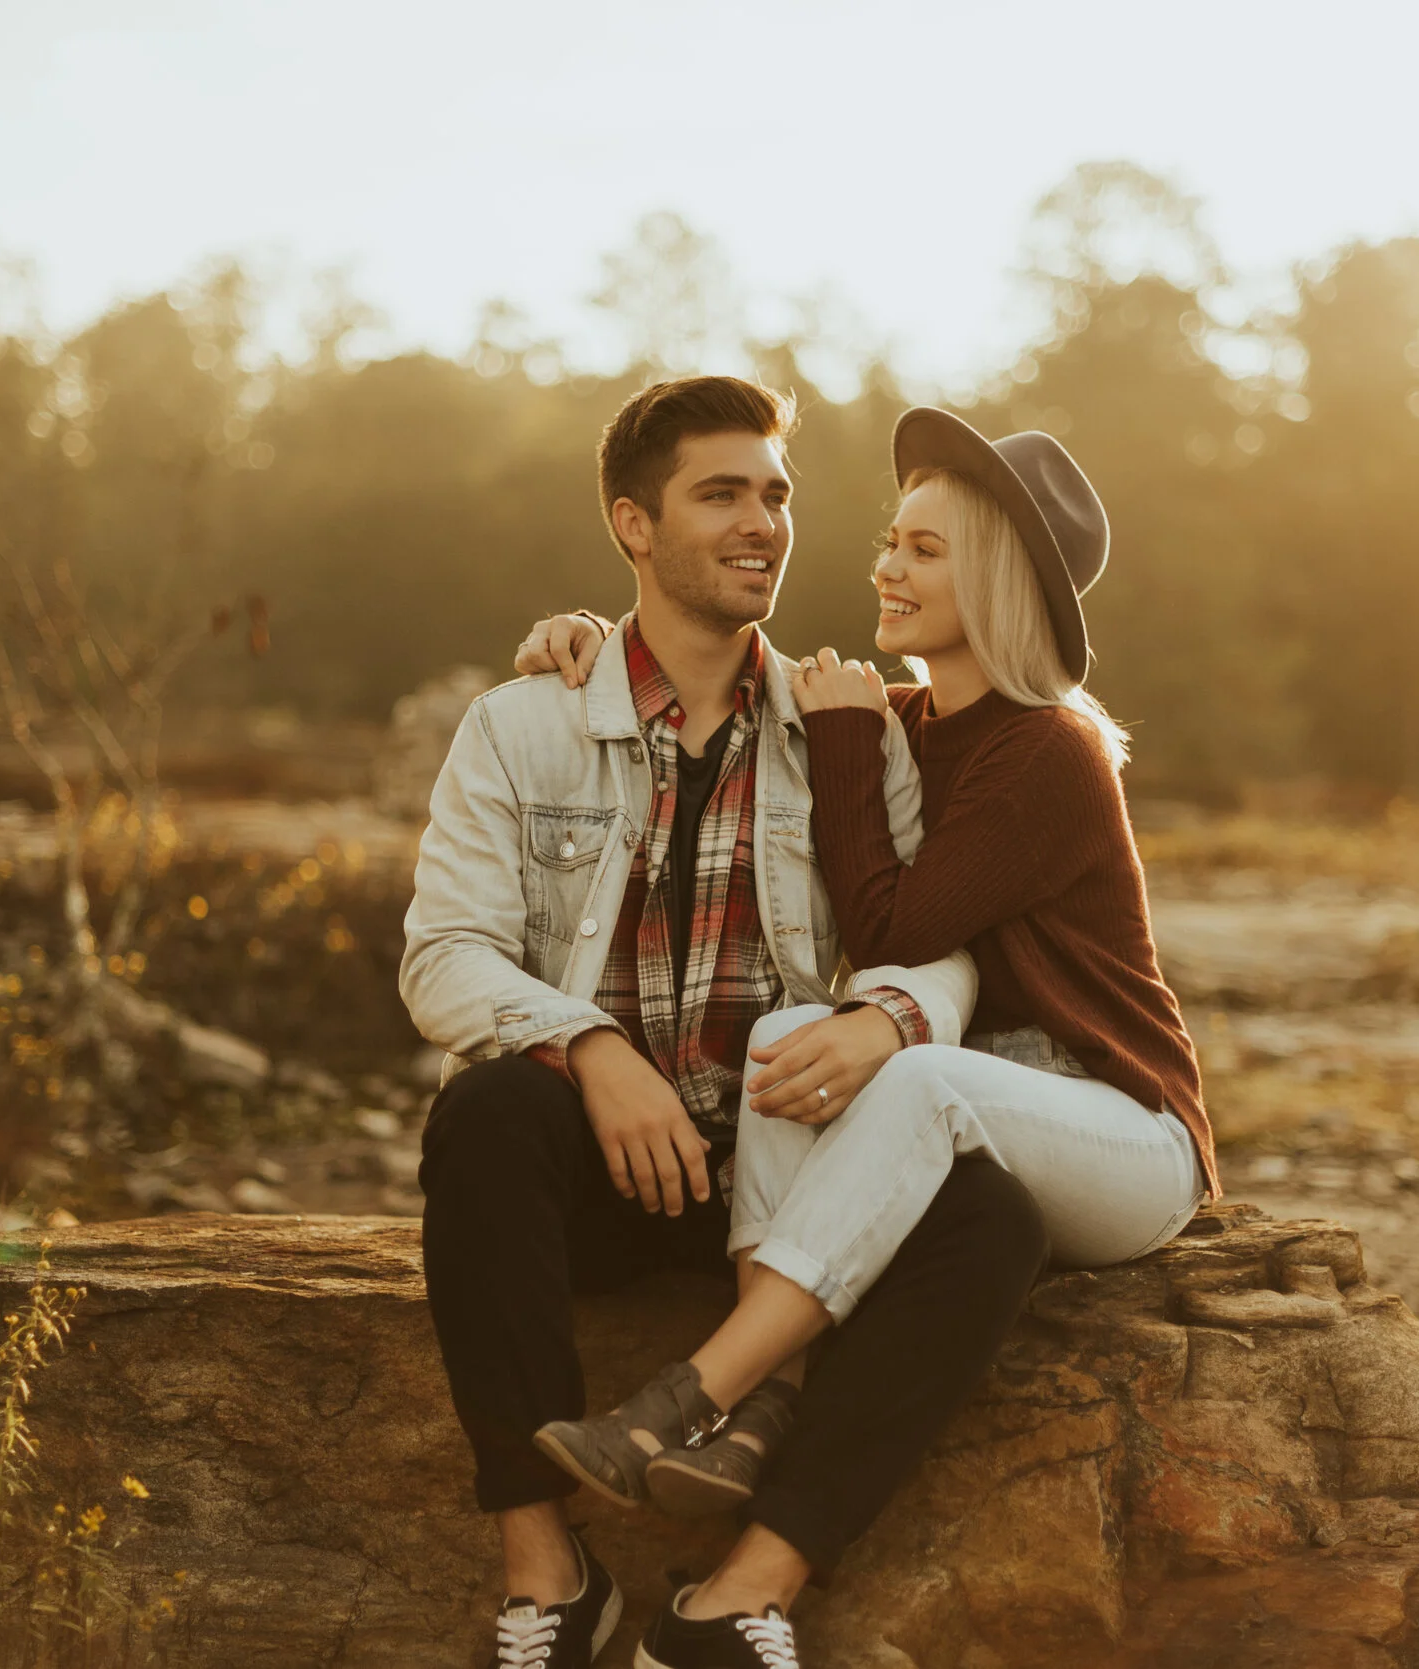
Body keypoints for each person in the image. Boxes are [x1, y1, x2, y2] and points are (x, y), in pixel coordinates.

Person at [404, 377, 1051, 1669]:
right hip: (604, 1169)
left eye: (777, 495)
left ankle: (735, 1599)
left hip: (784, 1182)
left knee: (995, 1217)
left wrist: (889, 1020)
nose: (764, 522)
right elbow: (442, 956)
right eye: (722, 495)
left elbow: (940, 941)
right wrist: (590, 1048)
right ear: (633, 525)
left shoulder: (848, 730)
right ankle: (548, 1583)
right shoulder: (522, 725)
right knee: (482, 1117)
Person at [513, 407, 1217, 1588]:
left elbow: (893, 925)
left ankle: (697, 1392)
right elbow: (723, 677)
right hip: (982, 1120)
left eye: (925, 552)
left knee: (923, 1072)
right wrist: (585, 631)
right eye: (892, 540)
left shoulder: (1050, 749)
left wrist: (844, 742)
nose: (885, 568)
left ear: (991, 580)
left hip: (1120, 1127)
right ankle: (762, 1418)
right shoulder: (898, 723)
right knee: (794, 1033)